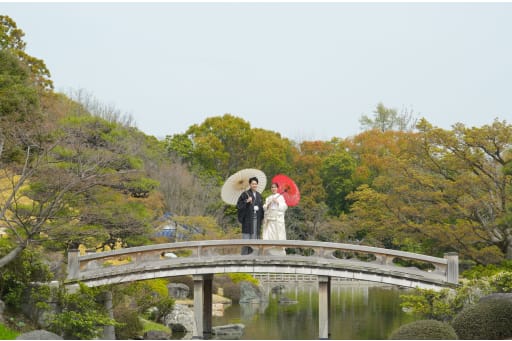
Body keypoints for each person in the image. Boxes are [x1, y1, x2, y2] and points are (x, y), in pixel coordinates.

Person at [236, 176, 264, 255]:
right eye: (252, 184)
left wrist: (259, 209)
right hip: (248, 220)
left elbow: (262, 208)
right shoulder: (245, 194)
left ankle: (254, 255)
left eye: (255, 184)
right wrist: (246, 201)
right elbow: (238, 205)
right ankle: (245, 256)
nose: (254, 185)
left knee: (255, 237)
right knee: (247, 238)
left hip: (256, 219)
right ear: (250, 184)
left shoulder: (259, 195)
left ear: (257, 185)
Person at [262, 182, 288, 256]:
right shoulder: (268, 198)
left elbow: (284, 207)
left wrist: (277, 202)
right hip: (270, 220)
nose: (273, 189)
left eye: (275, 187)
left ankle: (278, 250)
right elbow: (264, 208)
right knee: (269, 235)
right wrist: (268, 204)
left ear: (277, 188)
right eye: (272, 187)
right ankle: (269, 249)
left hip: (277, 220)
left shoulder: (281, 197)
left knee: (277, 234)